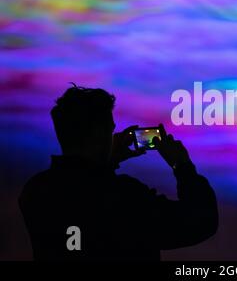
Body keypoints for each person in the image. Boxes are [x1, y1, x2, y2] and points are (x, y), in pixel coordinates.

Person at [18, 85, 218, 260]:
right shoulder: (125, 197)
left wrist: (109, 161)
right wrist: (182, 165)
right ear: (99, 132)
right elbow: (200, 221)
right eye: (109, 129)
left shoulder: (36, 191)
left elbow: (82, 195)